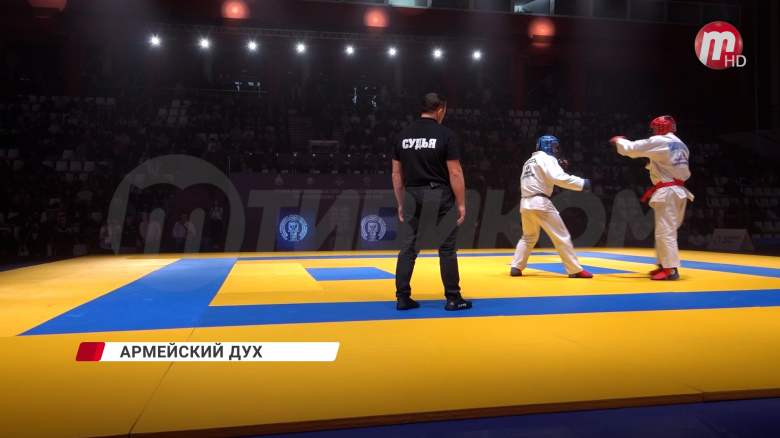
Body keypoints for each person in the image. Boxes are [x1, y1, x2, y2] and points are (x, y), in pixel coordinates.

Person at [391, 92, 471, 311]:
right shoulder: (445, 134)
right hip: (439, 196)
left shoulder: (403, 136)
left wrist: (401, 202)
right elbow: (455, 173)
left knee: (408, 248)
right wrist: (461, 203)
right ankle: (453, 299)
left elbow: (396, 175)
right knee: (446, 250)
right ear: (440, 111)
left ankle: (402, 298)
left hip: (412, 194)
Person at [609, 115, 694, 280]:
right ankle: (663, 264)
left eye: (655, 128)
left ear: (661, 128)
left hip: (668, 191)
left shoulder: (661, 141)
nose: (653, 131)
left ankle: (670, 269)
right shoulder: (681, 145)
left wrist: (619, 141)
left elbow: (632, 149)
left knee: (665, 231)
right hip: (679, 191)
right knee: (665, 230)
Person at [510, 135, 594, 279]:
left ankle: (516, 266)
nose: (556, 150)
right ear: (548, 145)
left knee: (529, 236)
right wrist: (582, 183)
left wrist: (557, 164)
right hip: (540, 203)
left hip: (525, 204)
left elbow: (541, 175)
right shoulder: (547, 159)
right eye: (554, 147)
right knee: (562, 236)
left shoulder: (529, 161)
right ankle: (574, 269)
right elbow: (558, 178)